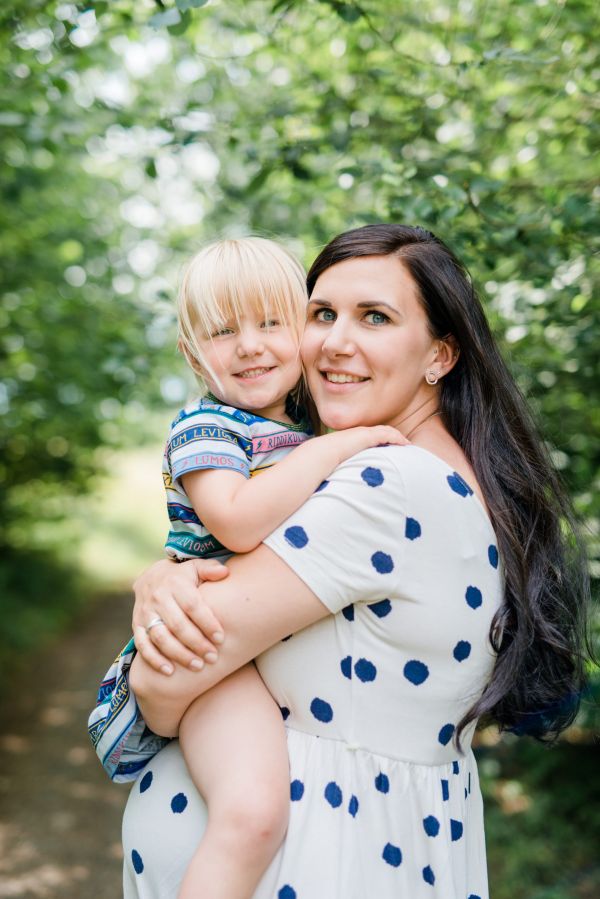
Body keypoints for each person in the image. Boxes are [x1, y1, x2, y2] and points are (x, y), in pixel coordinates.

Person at [99, 224, 588, 899]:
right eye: (322, 313)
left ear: (440, 355)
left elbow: (161, 678)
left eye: (375, 317)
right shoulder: (416, 472)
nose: (334, 341)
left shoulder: (387, 483)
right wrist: (166, 574)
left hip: (322, 858)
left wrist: (164, 622)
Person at [89, 235, 406, 899]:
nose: (250, 346)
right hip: (218, 665)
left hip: (269, 651)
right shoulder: (207, 429)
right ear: (192, 353)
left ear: (304, 332)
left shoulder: (310, 425)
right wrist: (337, 449)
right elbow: (234, 520)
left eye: (270, 322)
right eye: (223, 331)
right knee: (253, 815)